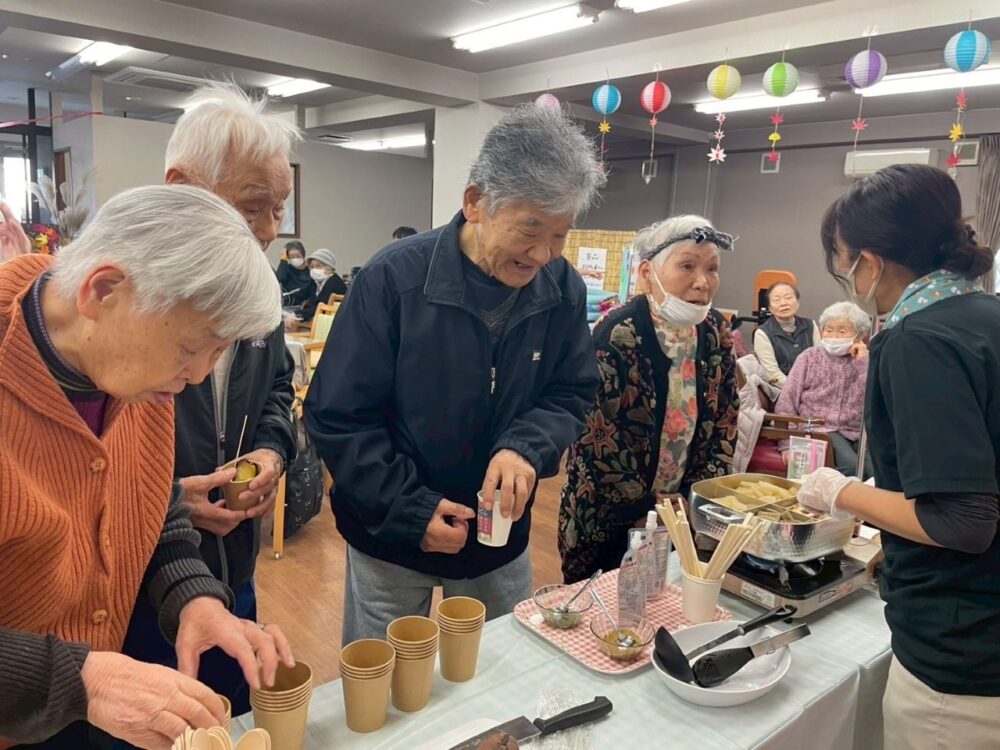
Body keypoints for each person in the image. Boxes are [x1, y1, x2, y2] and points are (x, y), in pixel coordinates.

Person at [0, 185, 293, 750]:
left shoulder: (134, 374)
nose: (200, 376)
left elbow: (149, 505)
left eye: (218, 354)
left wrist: (194, 596)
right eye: (191, 349)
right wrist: (79, 677)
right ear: (103, 290)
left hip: (82, 707)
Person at [304, 104, 604, 643]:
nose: (543, 254)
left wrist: (525, 448)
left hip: (498, 536)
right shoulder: (391, 281)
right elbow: (338, 415)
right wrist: (408, 509)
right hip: (392, 534)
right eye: (530, 230)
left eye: (560, 235)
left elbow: (571, 390)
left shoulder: (562, 288)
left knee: (494, 678)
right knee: (386, 685)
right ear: (475, 203)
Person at [797, 164, 1000, 750]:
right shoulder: (984, 319)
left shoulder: (920, 340)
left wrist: (840, 492)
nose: (842, 274)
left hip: (958, 658)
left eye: (840, 257)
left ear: (871, 260)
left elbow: (962, 521)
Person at [120, 82, 299, 719]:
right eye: (254, 206)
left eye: (280, 209)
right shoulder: (125, 316)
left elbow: (279, 390)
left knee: (231, 718)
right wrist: (171, 502)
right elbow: (92, 475)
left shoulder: (260, 293)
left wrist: (272, 450)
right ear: (181, 187)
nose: (270, 231)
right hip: (132, 591)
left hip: (230, 566)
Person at [558, 216, 740, 582]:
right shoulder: (617, 334)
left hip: (681, 515)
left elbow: (725, 422)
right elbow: (595, 439)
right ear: (646, 273)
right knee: (600, 608)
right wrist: (647, 508)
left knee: (667, 602)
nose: (702, 282)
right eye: (687, 266)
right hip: (607, 517)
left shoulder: (716, 332)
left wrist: (693, 497)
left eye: (712, 269)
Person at [774, 301, 872, 478]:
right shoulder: (809, 357)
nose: (833, 336)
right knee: (851, 468)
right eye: (828, 329)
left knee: (875, 472)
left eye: (842, 331)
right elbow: (786, 402)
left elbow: (873, 398)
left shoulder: (865, 361)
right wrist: (786, 443)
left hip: (855, 432)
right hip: (818, 428)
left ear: (858, 336)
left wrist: (863, 361)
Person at [753, 281, 820, 387]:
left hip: (813, 386)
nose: (783, 303)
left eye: (788, 298)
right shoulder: (762, 333)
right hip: (782, 389)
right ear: (770, 308)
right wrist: (797, 389)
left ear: (797, 303)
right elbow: (773, 374)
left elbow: (820, 362)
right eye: (776, 300)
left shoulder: (811, 325)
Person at [296, 247, 347, 324]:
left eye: (318, 266)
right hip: (317, 318)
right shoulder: (316, 281)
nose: (314, 270)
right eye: (312, 267)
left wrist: (296, 315)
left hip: (331, 323)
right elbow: (301, 294)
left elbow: (320, 307)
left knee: (289, 322)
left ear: (329, 268)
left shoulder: (334, 283)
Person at [276, 240, 312, 306]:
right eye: (292, 257)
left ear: (303, 256)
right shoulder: (286, 269)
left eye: (298, 256)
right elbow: (278, 279)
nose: (295, 259)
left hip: (305, 306)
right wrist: (283, 260)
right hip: (287, 305)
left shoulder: (311, 272)